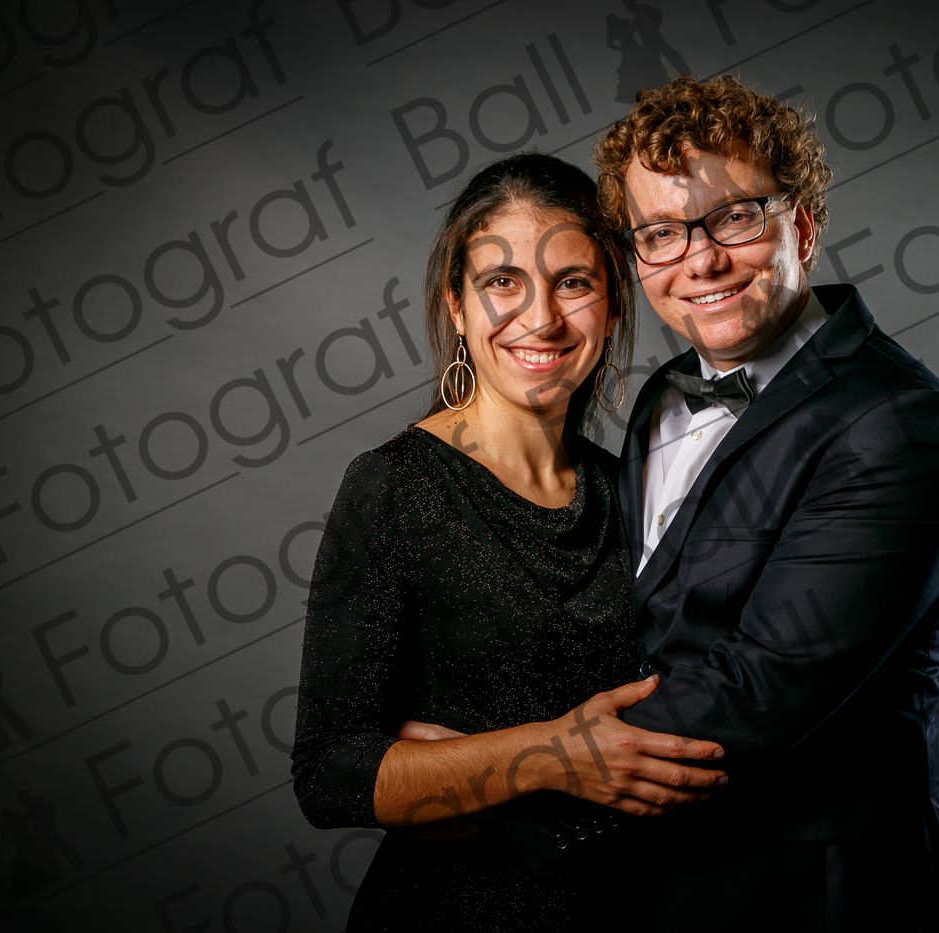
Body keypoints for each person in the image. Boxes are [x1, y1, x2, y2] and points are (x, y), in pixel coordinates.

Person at [497, 76, 939, 931]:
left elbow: (760, 688)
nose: (701, 259)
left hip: (823, 898)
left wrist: (500, 781)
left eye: (734, 218)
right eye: (661, 233)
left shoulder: (898, 421)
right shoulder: (661, 396)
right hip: (653, 886)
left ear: (802, 225)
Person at [289, 152, 728, 932]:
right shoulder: (393, 487)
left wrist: (463, 776)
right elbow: (329, 773)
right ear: (456, 305)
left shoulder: (635, 488)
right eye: (502, 281)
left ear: (613, 305)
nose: (541, 318)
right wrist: (551, 756)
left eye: (573, 282)